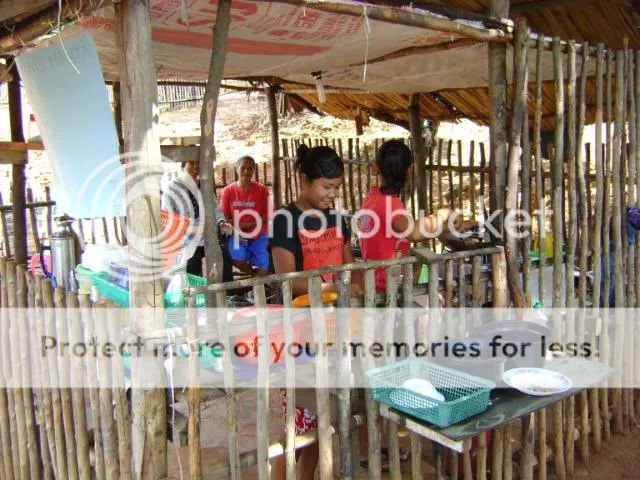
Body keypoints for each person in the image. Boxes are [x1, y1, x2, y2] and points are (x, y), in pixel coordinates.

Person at [270, 145, 363, 479]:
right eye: (326, 187)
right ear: (304, 180)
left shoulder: (337, 220)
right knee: (298, 428)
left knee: (323, 422)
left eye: (337, 187)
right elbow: (288, 280)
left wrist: (354, 284)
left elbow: (348, 266)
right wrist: (330, 288)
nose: (332, 194)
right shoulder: (285, 221)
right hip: (299, 338)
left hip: (335, 333)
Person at [359, 139, 472, 291]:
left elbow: (401, 229)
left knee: (419, 265)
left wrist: (447, 227)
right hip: (386, 287)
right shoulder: (389, 204)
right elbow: (414, 233)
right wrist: (445, 212)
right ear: (410, 170)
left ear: (375, 168)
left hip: (375, 280)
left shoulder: (372, 198)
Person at [161, 161, 232, 278]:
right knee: (191, 264)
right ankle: (192, 289)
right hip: (185, 242)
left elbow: (215, 209)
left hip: (207, 239)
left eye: (199, 162)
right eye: (192, 163)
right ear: (183, 166)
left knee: (224, 259)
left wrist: (221, 223)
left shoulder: (205, 188)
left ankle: (227, 290)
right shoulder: (172, 189)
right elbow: (168, 220)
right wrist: (192, 229)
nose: (196, 166)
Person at [219, 155, 271, 276]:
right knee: (235, 258)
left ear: (254, 170)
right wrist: (236, 229)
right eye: (243, 168)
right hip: (236, 233)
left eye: (250, 168)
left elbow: (267, 215)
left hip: (259, 234)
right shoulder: (228, 191)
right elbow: (225, 217)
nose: (246, 171)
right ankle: (252, 274)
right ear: (237, 169)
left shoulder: (262, 190)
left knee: (264, 268)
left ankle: (256, 282)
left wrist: (245, 225)